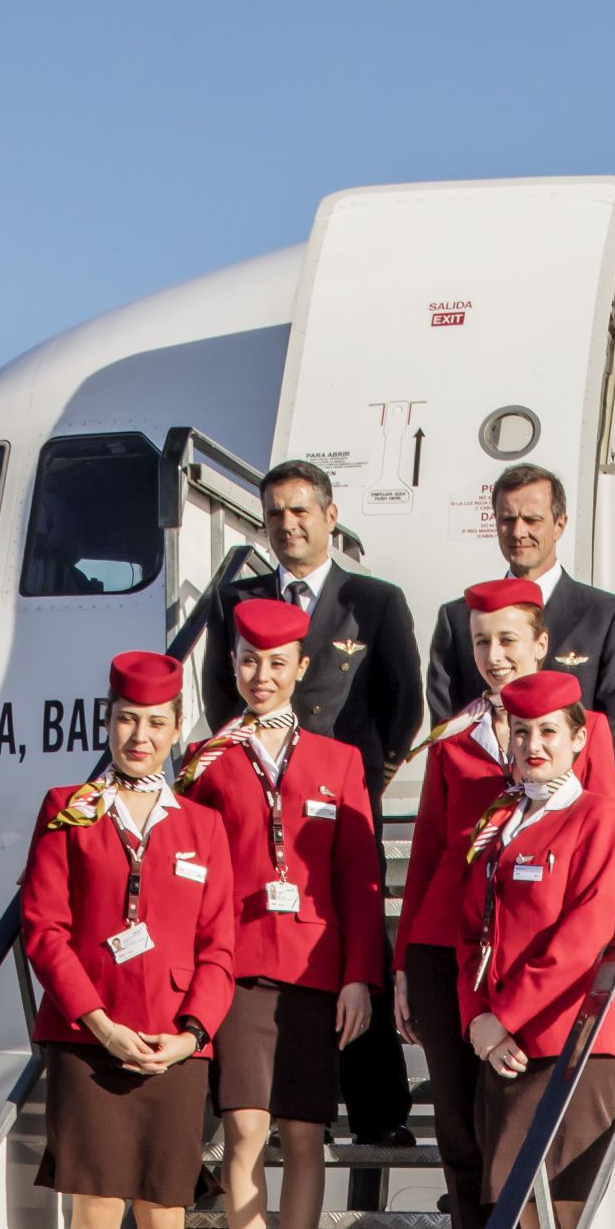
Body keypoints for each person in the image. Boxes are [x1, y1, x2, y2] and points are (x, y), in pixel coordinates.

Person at [18, 652, 236, 1229]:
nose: (138, 736)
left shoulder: (204, 827)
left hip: (174, 1049)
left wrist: (191, 1035)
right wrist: (98, 1022)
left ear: (179, 729)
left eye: (154, 723)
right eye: (125, 721)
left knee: (164, 1214)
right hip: (90, 1040)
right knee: (97, 1211)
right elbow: (44, 930)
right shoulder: (67, 810)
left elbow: (221, 948)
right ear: (107, 722)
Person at [201, 459, 421, 1149]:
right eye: (275, 514)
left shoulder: (375, 601)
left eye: (301, 511)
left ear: (330, 515)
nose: (288, 525)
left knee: (359, 939)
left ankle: (379, 1109)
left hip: (339, 794)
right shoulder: (234, 599)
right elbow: (217, 696)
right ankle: (263, 1097)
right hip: (263, 792)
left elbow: (402, 703)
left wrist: (361, 781)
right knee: (255, 948)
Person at [186, 596, 385, 1229]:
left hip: (314, 970)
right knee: (243, 1131)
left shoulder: (340, 763)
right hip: (236, 967)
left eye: (276, 664)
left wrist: (360, 974)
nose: (260, 676)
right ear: (232, 665)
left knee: (305, 1135)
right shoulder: (207, 761)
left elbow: (359, 879)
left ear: (303, 669)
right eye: (246, 661)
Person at [459, 667, 615, 1229]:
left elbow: (584, 936)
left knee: (561, 1201)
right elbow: (470, 931)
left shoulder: (595, 815)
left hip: (570, 1039)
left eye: (549, 733)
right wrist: (477, 1018)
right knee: (523, 1203)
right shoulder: (498, 820)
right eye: (522, 730)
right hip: (502, 1038)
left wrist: (505, 1016)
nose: (534, 744)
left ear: (576, 739)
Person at [398, 580, 552, 1229]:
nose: (494, 656)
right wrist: (402, 965)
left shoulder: (573, 731)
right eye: (482, 642)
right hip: (442, 949)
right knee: (458, 1136)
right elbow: (427, 852)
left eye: (508, 641)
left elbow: (600, 823)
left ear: (538, 645)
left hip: (519, 950)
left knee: (513, 1133)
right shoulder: (454, 740)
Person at [428, 464, 615, 825]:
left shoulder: (607, 616)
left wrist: (555, 785)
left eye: (532, 520)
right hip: (481, 816)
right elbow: (449, 719)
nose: (518, 532)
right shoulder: (457, 618)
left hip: (572, 808)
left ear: (560, 524)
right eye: (507, 520)